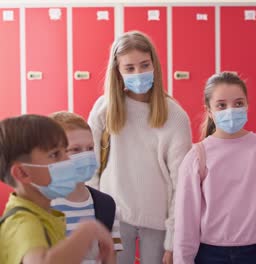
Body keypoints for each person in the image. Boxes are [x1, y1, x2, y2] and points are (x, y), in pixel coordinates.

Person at [174, 72, 256, 264]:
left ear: (247, 105)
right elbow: (186, 223)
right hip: (209, 255)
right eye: (221, 105)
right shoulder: (197, 156)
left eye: (238, 103)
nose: (231, 110)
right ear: (209, 111)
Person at [88, 31, 192, 264]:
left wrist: (173, 240)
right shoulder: (104, 109)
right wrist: (95, 219)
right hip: (113, 218)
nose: (139, 74)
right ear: (118, 71)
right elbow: (90, 168)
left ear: (154, 64)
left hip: (158, 221)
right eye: (130, 68)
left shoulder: (175, 116)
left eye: (145, 65)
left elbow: (181, 183)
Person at [0, 114, 114, 264]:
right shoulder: (22, 221)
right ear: (22, 173)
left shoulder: (44, 213)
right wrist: (86, 231)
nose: (67, 161)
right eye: (55, 154)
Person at [50, 111, 123, 264]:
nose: (87, 156)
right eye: (75, 149)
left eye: (90, 148)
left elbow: (110, 259)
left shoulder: (106, 205)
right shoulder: (41, 206)